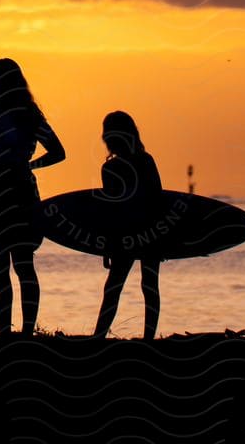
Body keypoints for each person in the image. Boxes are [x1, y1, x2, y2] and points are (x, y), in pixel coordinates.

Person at [0, 58, 65, 336]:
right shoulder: (24, 114)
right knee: (19, 265)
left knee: (6, 267)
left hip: (3, 195)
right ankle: (19, 331)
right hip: (11, 193)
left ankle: (13, 332)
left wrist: (28, 166)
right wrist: (27, 165)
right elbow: (57, 152)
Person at [92, 110, 164, 340]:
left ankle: (99, 336)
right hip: (145, 231)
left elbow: (111, 210)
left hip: (132, 232)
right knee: (146, 284)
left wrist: (108, 244)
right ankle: (147, 338)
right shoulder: (142, 161)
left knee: (117, 286)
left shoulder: (117, 166)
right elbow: (156, 198)